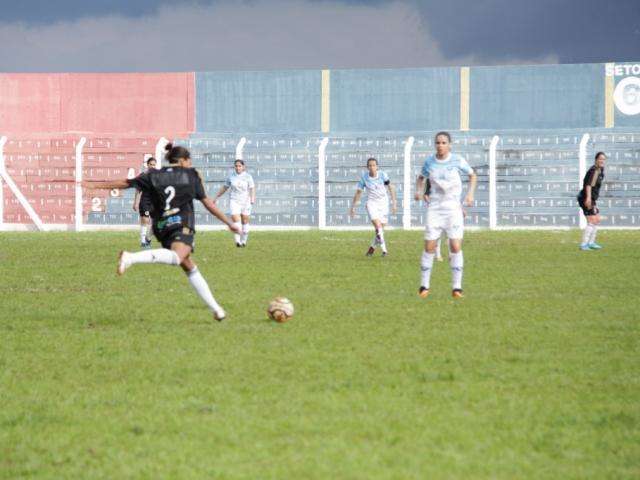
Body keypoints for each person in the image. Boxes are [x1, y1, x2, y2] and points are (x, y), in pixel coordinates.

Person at [82, 143, 240, 321]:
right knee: (179, 257)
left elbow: (126, 183)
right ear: (182, 161)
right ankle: (130, 257)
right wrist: (229, 223)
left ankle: (217, 310)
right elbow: (207, 203)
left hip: (161, 226)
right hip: (181, 223)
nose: (190, 164)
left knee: (188, 265)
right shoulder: (191, 175)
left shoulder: (153, 175)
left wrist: (94, 185)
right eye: (189, 161)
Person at [414, 132, 477, 298]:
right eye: (437, 142)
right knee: (430, 247)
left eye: (443, 142)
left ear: (449, 145)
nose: (440, 145)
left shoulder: (457, 160)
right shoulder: (429, 162)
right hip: (435, 209)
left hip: (453, 209)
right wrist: (419, 191)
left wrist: (470, 194)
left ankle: (457, 288)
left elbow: (472, 175)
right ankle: (424, 286)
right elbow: (420, 178)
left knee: (455, 246)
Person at [349, 157, 397, 257]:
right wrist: (353, 207)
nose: (372, 167)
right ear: (367, 167)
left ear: (377, 167)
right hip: (372, 203)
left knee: (380, 231)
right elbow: (358, 192)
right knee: (378, 226)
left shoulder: (383, 175)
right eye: (370, 165)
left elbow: (390, 187)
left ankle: (371, 249)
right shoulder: (364, 178)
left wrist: (394, 203)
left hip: (383, 202)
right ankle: (385, 251)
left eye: (374, 165)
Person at [213, 160, 255, 247]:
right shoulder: (231, 177)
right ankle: (237, 242)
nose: (238, 167)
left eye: (239, 166)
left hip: (245, 202)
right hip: (234, 201)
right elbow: (225, 187)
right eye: (236, 166)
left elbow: (252, 188)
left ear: (243, 167)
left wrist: (252, 199)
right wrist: (216, 197)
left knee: (245, 221)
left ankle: (243, 241)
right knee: (236, 221)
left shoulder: (248, 176)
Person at [578, 152, 606, 250]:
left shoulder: (600, 170)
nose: (602, 161)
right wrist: (588, 198)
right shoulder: (594, 171)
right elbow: (588, 185)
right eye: (600, 159)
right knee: (592, 220)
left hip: (592, 199)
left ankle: (591, 243)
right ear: (596, 159)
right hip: (586, 198)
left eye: (603, 159)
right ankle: (584, 244)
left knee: (597, 219)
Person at [133, 157, 157, 248]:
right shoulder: (142, 176)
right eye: (151, 164)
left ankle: (148, 238)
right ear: (147, 165)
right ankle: (143, 242)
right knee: (145, 220)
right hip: (145, 201)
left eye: (154, 165)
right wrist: (135, 202)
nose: (152, 166)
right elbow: (138, 190)